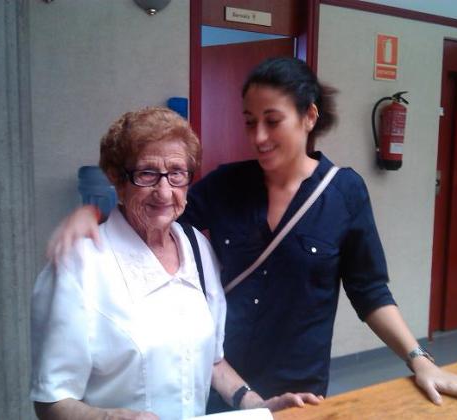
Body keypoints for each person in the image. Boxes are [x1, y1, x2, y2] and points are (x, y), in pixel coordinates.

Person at [47, 58, 457, 412]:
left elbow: (369, 290)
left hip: (297, 388)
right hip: (216, 381)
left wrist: (420, 359)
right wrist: (92, 212)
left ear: (309, 116)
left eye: (272, 120)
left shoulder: (344, 192)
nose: (259, 136)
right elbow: (156, 211)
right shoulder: (226, 184)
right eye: (249, 121)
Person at [30, 107, 321, 420]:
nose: (164, 191)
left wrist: (257, 404)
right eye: (147, 173)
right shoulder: (80, 265)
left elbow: (212, 360)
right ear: (118, 179)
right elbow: (51, 401)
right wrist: (111, 418)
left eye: (177, 173)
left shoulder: (198, 248)